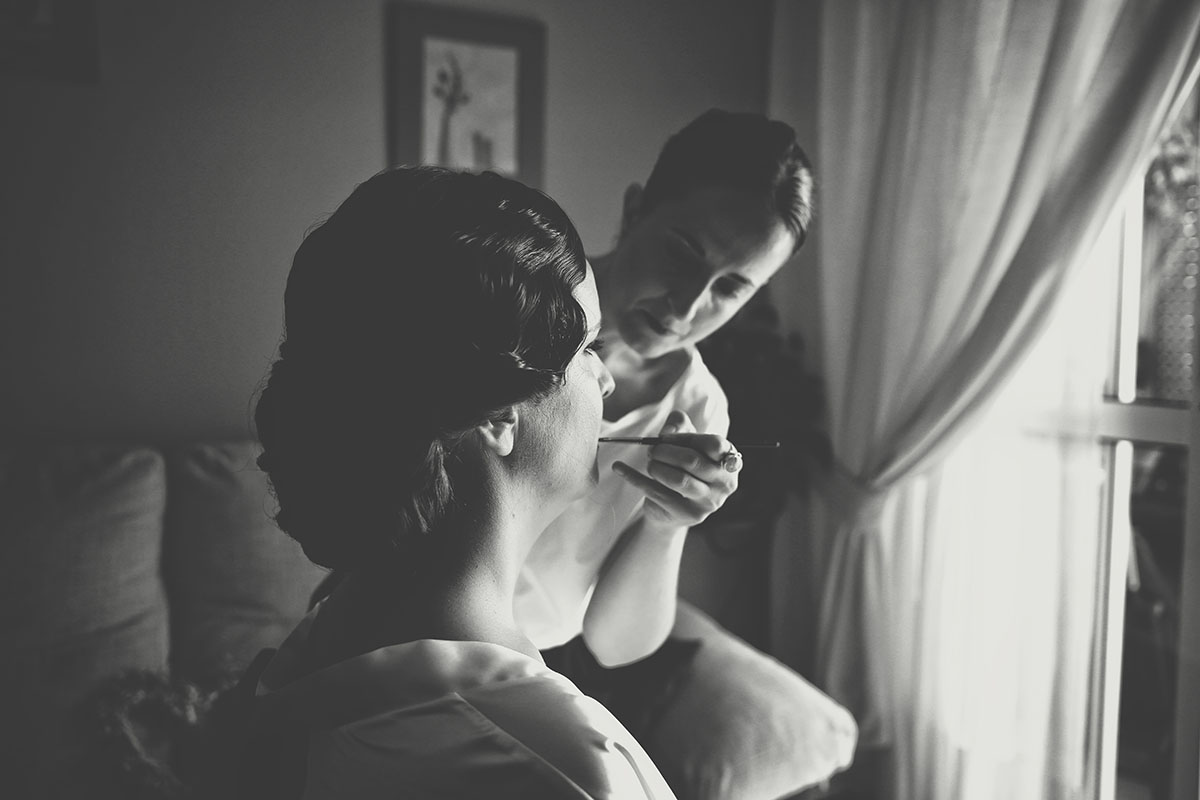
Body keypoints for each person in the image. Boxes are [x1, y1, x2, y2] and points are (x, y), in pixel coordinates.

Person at [240, 166, 678, 799]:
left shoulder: (312, 649)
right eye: (587, 347)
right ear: (500, 414)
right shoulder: (571, 771)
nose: (606, 380)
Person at [517, 110, 815, 733]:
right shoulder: (516, 306)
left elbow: (614, 646)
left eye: (731, 288)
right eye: (683, 252)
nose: (687, 305)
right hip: (410, 628)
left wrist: (667, 523)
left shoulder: (700, 411)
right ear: (635, 211)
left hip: (531, 671)